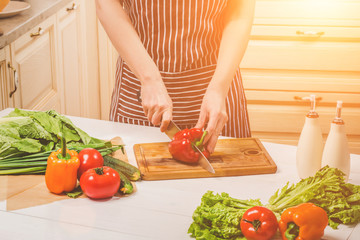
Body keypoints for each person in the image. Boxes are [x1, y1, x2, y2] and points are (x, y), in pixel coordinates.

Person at [96, 0, 255, 154]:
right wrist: (149, 79)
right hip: (141, 93)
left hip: (217, 89)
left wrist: (219, 88)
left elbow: (240, 12)